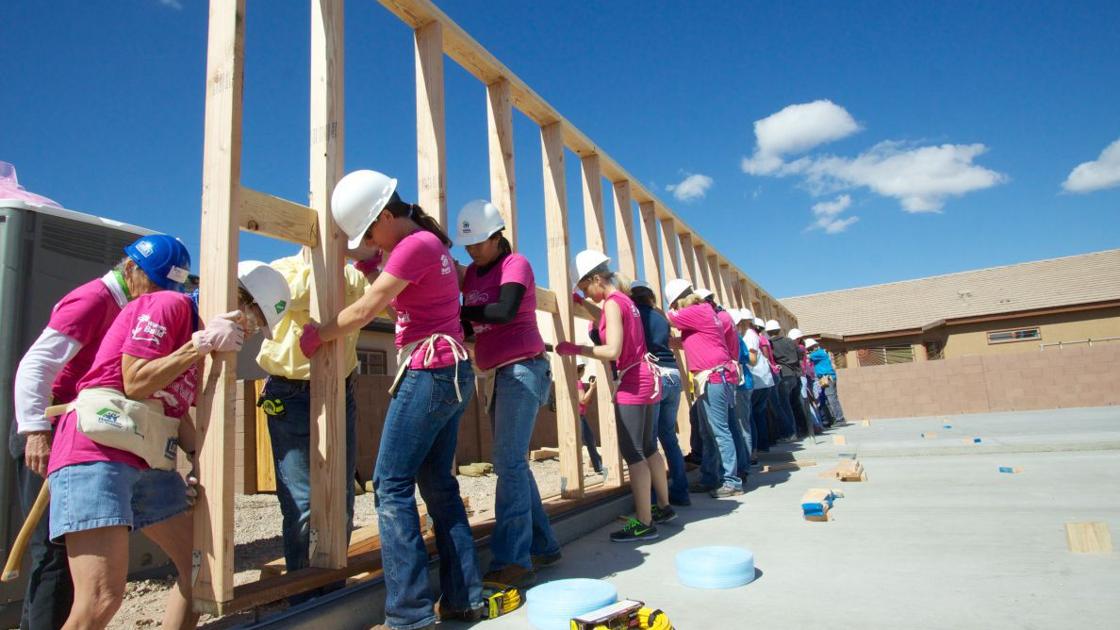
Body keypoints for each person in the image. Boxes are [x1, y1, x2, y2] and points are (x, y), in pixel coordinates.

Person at [47, 259, 285, 630]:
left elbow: (173, 411)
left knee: (201, 567)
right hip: (98, 452)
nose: (252, 334)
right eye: (254, 322)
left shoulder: (198, 334)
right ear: (238, 300)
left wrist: (200, 462)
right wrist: (199, 346)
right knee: (100, 599)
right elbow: (136, 381)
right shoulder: (169, 306)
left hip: (146, 458)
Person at [301, 170, 482, 629]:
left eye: (368, 231)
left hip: (430, 369)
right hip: (449, 369)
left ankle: (409, 614)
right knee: (437, 484)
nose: (368, 241)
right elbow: (398, 298)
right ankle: (463, 598)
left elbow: (364, 310)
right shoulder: (424, 245)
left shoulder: (415, 246)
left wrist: (318, 335)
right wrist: (362, 259)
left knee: (390, 484)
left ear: (385, 215)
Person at [11, 234, 190, 630]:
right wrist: (37, 430)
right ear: (131, 268)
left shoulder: (139, 306)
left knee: (68, 562)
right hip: (56, 426)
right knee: (53, 554)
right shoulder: (95, 300)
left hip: (100, 425)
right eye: (156, 283)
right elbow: (36, 365)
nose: (160, 294)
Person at [453, 199, 560, 586]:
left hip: (523, 369)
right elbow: (473, 323)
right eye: (467, 246)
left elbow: (504, 312)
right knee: (514, 462)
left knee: (508, 463)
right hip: (496, 374)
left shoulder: (516, 265)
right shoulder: (472, 277)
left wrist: (462, 314)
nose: (472, 251)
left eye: (478, 243)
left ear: (498, 237)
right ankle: (544, 545)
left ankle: (513, 559)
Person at [253, 251, 362, 599]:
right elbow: (286, 293)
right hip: (289, 392)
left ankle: (332, 595)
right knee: (301, 503)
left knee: (340, 499)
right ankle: (302, 601)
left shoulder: (355, 277)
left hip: (338, 389)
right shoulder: (281, 269)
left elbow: (371, 298)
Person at [556, 250, 673, 542]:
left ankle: (644, 522)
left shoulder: (612, 302)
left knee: (633, 452)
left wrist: (575, 349)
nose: (587, 293)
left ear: (596, 278)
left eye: (585, 288)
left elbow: (612, 351)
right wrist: (583, 304)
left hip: (633, 382)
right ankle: (664, 507)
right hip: (647, 378)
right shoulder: (625, 301)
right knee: (648, 447)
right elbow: (610, 319)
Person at [663, 279, 742, 498]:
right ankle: (710, 477)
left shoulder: (695, 310)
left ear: (679, 300)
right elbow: (690, 342)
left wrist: (640, 308)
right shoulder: (703, 312)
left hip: (714, 376)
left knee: (719, 431)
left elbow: (665, 318)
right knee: (708, 433)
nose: (674, 310)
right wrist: (670, 342)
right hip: (712, 377)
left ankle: (732, 481)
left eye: (674, 305)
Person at [628, 280, 690, 507]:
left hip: (655, 378)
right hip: (673, 375)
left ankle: (653, 500)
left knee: (649, 442)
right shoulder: (661, 318)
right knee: (669, 437)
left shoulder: (636, 316)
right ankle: (681, 492)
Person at [767, 320, 809, 441]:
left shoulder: (770, 344)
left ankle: (791, 433)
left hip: (783, 375)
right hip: (794, 375)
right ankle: (801, 429)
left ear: (768, 332)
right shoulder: (789, 341)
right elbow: (800, 353)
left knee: (784, 405)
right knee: (795, 403)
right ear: (779, 330)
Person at [741, 312, 774, 455]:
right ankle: (762, 446)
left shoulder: (748, 335)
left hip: (757, 380)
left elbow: (750, 357)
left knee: (750, 417)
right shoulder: (753, 334)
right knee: (758, 415)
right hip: (763, 380)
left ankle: (754, 450)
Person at [806, 338, 846, 425]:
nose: (809, 351)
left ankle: (840, 419)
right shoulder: (820, 352)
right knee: (828, 399)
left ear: (814, 347)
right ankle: (833, 419)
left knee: (831, 398)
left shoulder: (818, 353)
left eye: (809, 349)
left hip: (827, 377)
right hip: (824, 378)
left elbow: (807, 357)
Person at [575, 358, 604, 474]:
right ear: (580, 370)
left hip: (579, 416)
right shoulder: (577, 382)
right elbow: (583, 400)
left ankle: (598, 465)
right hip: (579, 417)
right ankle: (598, 466)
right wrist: (592, 388)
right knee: (588, 441)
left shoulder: (573, 381)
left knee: (589, 441)